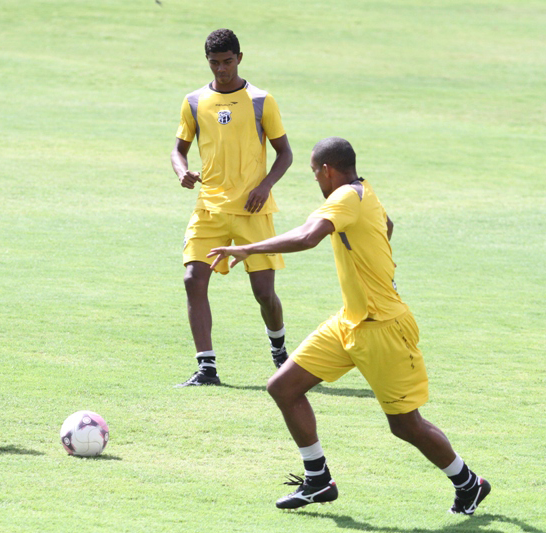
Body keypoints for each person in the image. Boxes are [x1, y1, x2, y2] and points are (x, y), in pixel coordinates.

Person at [208, 137, 490, 514]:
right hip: (349, 322)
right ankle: (318, 480)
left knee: (405, 425)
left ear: (327, 170)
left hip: (384, 329)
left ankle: (468, 483)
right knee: (283, 387)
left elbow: (308, 236)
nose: (315, 179)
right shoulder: (364, 192)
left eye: (314, 173)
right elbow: (386, 225)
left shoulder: (344, 197)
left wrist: (249, 248)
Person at [171, 29, 293, 387]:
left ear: (239, 58)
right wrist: (182, 171)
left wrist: (265, 186)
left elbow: (285, 153)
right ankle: (206, 368)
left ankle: (279, 351)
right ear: (207, 61)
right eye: (214, 63)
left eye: (227, 62)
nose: (221, 69)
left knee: (264, 293)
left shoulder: (261, 100)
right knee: (193, 279)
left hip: (253, 211)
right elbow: (178, 150)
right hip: (209, 209)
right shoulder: (194, 101)